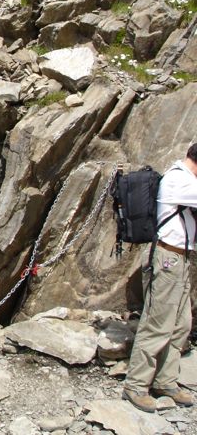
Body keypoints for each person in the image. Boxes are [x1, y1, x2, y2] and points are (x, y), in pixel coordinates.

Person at [123, 143, 197, 413]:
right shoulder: (179, 180)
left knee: (180, 324)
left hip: (183, 258)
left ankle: (166, 381)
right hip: (167, 259)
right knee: (157, 324)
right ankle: (136, 385)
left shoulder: (186, 180)